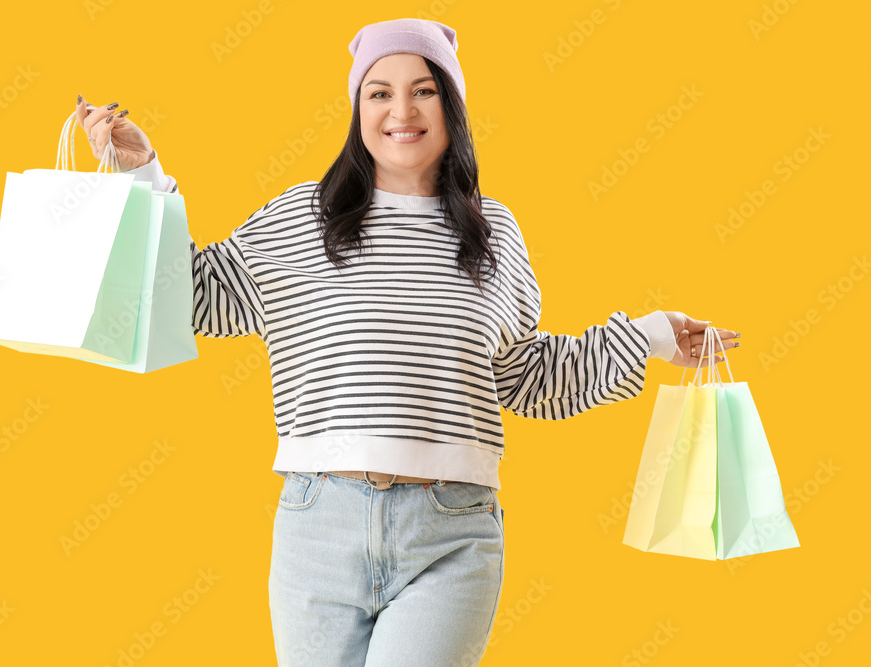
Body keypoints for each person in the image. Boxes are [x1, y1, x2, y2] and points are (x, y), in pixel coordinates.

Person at [74, 18, 740, 667]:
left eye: (423, 89)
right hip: (318, 525)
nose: (402, 109)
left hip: (451, 534)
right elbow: (198, 296)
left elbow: (527, 377)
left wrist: (646, 337)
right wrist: (143, 175)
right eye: (380, 91)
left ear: (451, 106)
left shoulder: (494, 234)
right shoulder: (303, 219)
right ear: (359, 110)